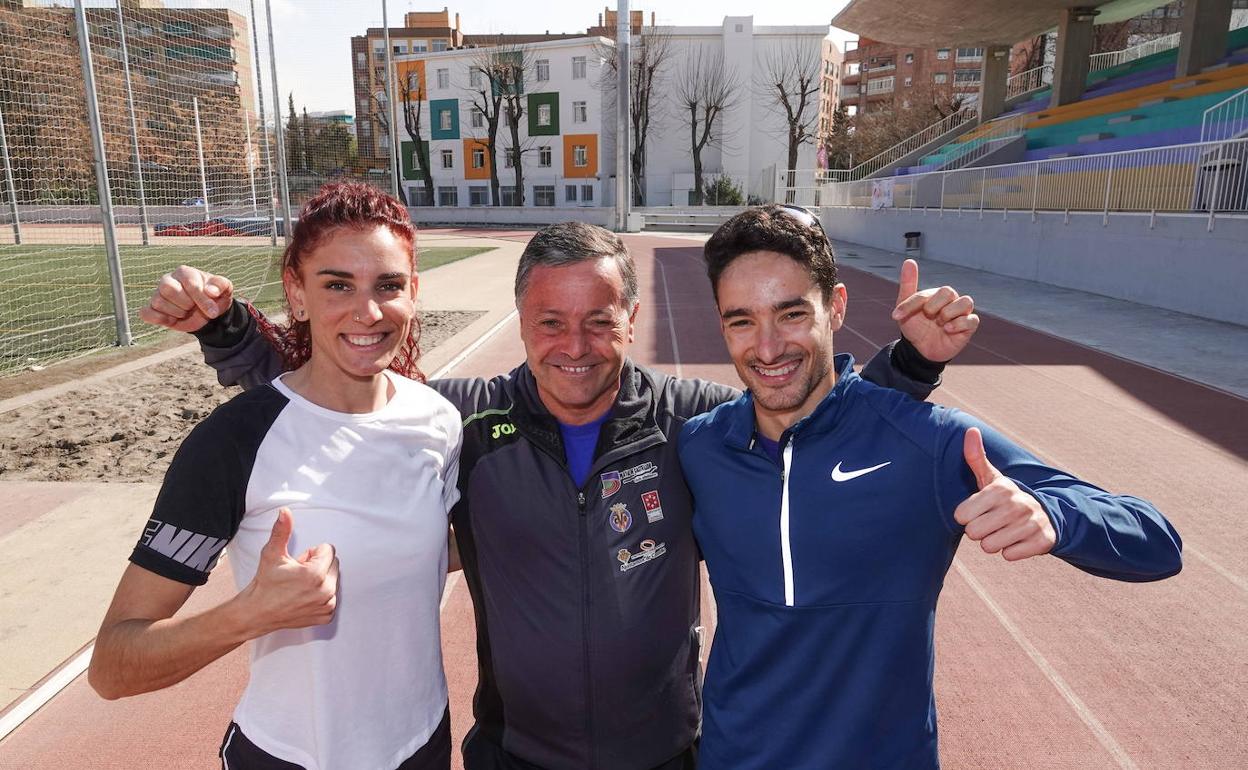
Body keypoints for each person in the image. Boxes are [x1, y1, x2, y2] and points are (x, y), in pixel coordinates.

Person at [140, 219, 979, 770]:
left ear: (633, 318)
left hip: (665, 755)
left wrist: (910, 365)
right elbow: (334, 397)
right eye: (550, 322)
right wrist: (229, 333)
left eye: (598, 320)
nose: (574, 346)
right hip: (515, 756)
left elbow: (807, 410)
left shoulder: (694, 423)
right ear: (522, 319)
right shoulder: (463, 420)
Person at [678, 205, 1185, 769]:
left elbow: (1157, 542)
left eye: (792, 314)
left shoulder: (928, 441)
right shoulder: (701, 446)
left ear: (836, 308)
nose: (768, 347)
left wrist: (1054, 515)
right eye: (741, 321)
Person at [89, 183, 463, 770]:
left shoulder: (437, 420)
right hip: (292, 756)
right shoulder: (234, 441)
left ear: (413, 293)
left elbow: (433, 548)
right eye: (337, 284)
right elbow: (112, 667)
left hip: (422, 744)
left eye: (387, 286)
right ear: (298, 293)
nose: (367, 312)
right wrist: (251, 613)